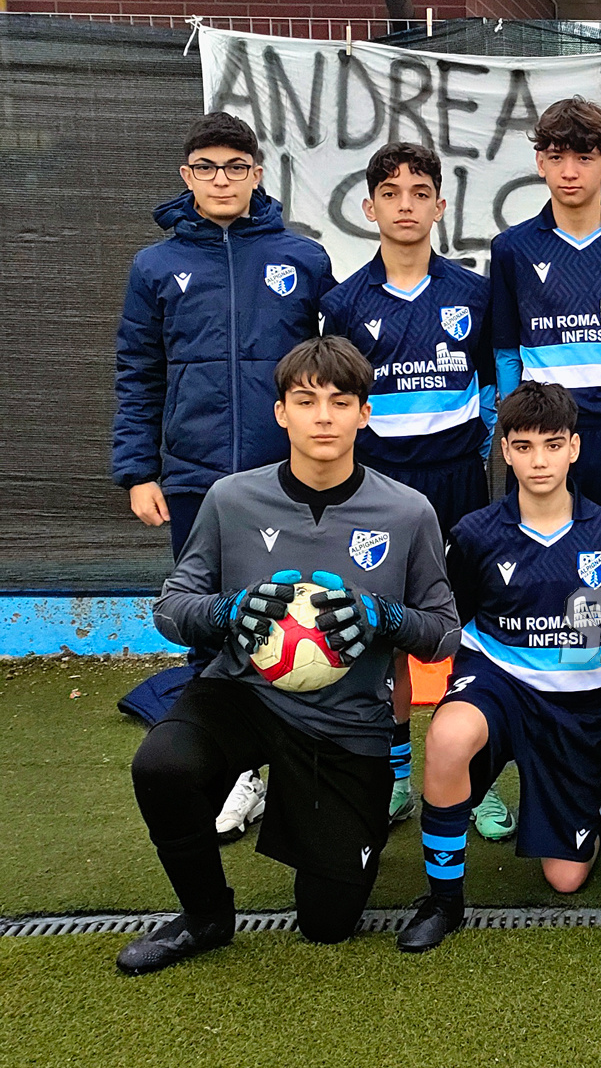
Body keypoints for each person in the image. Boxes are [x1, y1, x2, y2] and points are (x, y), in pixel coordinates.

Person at [118, 336, 459, 975]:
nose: (323, 417)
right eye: (306, 401)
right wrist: (229, 610)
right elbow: (170, 609)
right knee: (163, 766)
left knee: (327, 925)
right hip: (243, 694)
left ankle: (319, 824)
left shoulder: (407, 511)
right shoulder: (231, 499)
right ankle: (204, 915)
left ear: (365, 413)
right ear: (281, 413)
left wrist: (382, 616)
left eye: (340, 401)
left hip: (347, 722)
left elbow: (444, 633)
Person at [112, 111, 335, 841]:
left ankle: (299, 768)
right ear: (187, 176)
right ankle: (235, 772)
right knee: (213, 620)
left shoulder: (303, 258)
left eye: (235, 166)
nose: (221, 179)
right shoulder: (155, 267)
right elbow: (138, 372)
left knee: (297, 620)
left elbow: (330, 375)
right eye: (206, 167)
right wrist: (138, 470)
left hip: (286, 476)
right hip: (194, 479)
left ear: (257, 174)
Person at [395, 381, 601, 953]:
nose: (539, 461)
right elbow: (450, 624)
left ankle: (587, 791)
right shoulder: (474, 534)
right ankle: (444, 900)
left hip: (573, 706)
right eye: (524, 447)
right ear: (504, 451)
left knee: (566, 879)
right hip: (497, 682)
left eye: (552, 445)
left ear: (574, 447)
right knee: (449, 736)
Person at [489, 95, 601, 837]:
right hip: (543, 445)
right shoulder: (511, 249)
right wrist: (523, 432)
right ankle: (539, 758)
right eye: (557, 155)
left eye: (585, 156)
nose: (570, 170)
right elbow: (504, 352)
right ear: (539, 162)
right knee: (543, 598)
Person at [321, 141, 497, 830]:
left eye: (419, 193)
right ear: (369, 208)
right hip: (381, 488)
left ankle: (474, 776)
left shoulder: (473, 293)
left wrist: (479, 447)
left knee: (467, 630)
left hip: (458, 481)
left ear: (440, 206)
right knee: (383, 629)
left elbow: (493, 385)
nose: (405, 206)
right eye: (390, 194)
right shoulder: (343, 303)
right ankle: (395, 773)